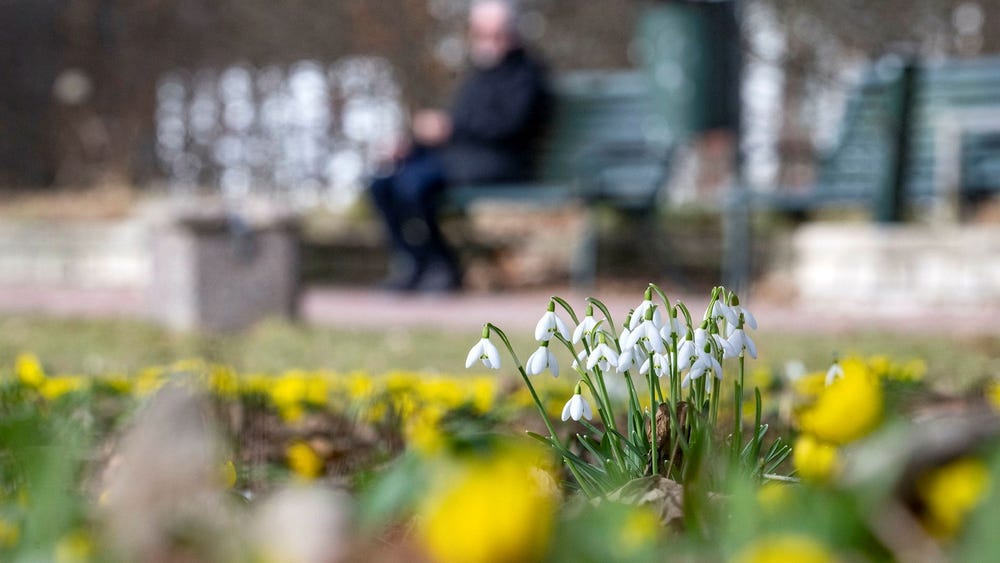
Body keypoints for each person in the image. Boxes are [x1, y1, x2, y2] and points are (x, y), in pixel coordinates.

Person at [369, 0, 552, 292]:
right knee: (381, 182)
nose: (486, 40)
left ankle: (442, 266)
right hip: (460, 160)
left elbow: (509, 126)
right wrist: (412, 144)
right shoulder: (477, 74)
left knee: (414, 185)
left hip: (498, 164)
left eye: (494, 32)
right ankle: (415, 262)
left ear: (511, 31)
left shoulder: (527, 74)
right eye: (479, 32)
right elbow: (456, 123)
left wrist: (450, 129)